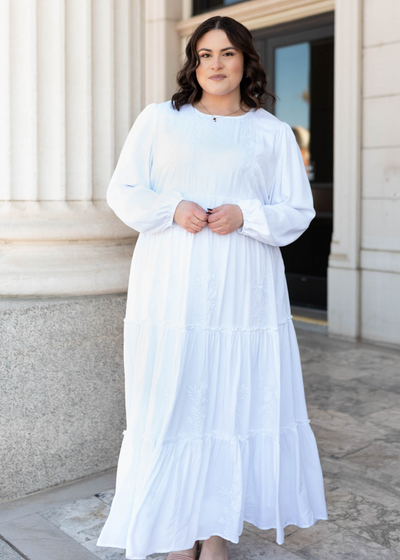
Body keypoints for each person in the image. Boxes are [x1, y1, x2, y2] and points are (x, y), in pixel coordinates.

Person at [96, 14, 328, 560]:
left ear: (245, 60)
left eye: (226, 53)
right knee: (173, 400)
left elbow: (298, 210)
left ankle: (215, 533)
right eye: (205, 55)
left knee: (230, 402)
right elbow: (123, 190)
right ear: (192, 63)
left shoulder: (272, 132)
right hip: (171, 286)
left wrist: (245, 215)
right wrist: (170, 206)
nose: (215, 65)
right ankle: (177, 531)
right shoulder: (158, 121)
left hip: (243, 291)